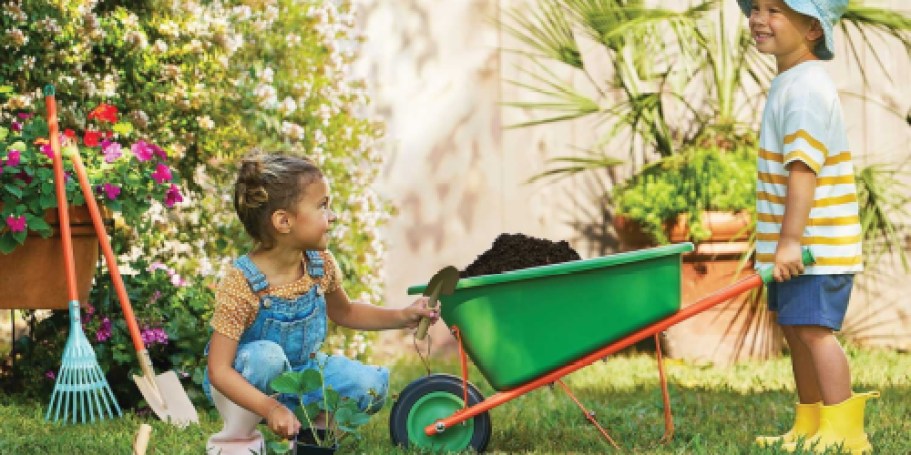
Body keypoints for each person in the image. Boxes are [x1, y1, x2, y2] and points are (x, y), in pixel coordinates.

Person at [204, 152, 438, 454]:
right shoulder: (242, 283)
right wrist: (268, 408)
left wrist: (403, 315)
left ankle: (308, 435)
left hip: (302, 374)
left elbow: (347, 311)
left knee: (369, 386)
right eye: (322, 206)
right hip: (244, 381)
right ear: (284, 221)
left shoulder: (319, 264)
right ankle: (239, 441)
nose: (333, 216)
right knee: (268, 357)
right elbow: (219, 371)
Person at [737, 0, 879, 453]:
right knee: (797, 331)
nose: (759, 18)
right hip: (797, 247)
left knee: (815, 332)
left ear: (813, 28)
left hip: (814, 246)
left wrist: (791, 241)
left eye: (775, 10)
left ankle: (846, 433)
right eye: (755, 8)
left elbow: (804, 168)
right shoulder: (790, 82)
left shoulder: (806, 89)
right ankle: (810, 422)